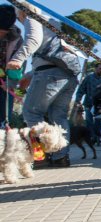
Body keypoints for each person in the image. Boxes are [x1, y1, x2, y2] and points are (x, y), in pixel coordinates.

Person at [6, 3, 78, 168]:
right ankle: (61, 156)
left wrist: (18, 59)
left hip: (49, 75)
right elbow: (52, 53)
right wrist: (31, 74)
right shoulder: (53, 23)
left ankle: (41, 155)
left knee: (31, 113)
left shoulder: (33, 18)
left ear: (22, 13)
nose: (19, 20)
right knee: (58, 115)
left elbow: (33, 40)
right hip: (68, 75)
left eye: (18, 17)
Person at [0, 4, 23, 128]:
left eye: (2, 32)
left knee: (4, 117)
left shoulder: (17, 40)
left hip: (6, 82)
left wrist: (10, 85)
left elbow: (18, 70)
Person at [74, 63, 101, 142]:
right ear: (95, 68)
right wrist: (78, 100)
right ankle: (91, 137)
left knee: (99, 120)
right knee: (89, 121)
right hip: (89, 103)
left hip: (99, 104)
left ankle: (98, 136)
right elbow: (81, 90)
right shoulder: (89, 78)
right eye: (100, 68)